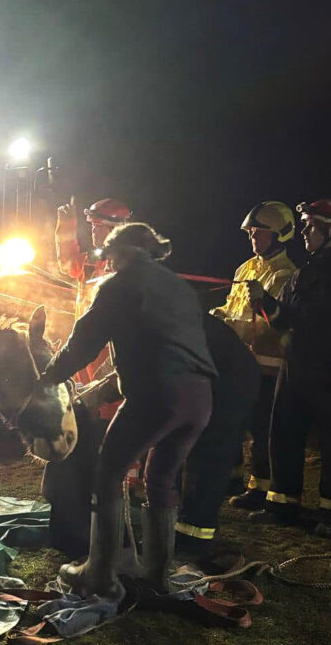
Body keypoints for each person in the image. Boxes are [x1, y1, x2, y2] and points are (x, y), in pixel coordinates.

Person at [42, 223, 216, 598]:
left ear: (119, 253)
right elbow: (168, 344)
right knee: (161, 479)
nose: (108, 262)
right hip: (199, 398)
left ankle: (99, 573)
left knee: (107, 475)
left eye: (110, 256)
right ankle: (157, 577)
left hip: (156, 396)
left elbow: (83, 343)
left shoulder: (119, 286)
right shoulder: (179, 287)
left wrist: (50, 375)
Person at [247, 200, 331, 536]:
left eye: (310, 226)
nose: (304, 232)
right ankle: (281, 505)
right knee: (283, 434)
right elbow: (284, 322)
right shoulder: (303, 273)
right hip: (295, 368)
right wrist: (265, 302)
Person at [212, 201, 297, 508]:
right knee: (229, 420)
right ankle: (230, 476)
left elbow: (263, 324)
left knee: (260, 428)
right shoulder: (245, 268)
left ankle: (260, 488)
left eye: (260, 232)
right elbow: (232, 308)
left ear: (280, 235)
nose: (253, 238)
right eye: (251, 232)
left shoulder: (286, 275)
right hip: (236, 360)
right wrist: (213, 317)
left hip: (266, 366)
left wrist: (225, 329)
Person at [175, 315, 261, 567]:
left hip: (230, 385)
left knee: (207, 455)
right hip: (218, 376)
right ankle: (186, 527)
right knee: (197, 452)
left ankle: (196, 536)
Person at [55, 197, 132, 389]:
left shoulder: (130, 266)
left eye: (98, 226)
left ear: (114, 230)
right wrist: (66, 228)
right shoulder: (92, 260)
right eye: (92, 225)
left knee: (107, 402)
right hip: (85, 341)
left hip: (110, 347)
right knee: (83, 398)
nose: (93, 230)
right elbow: (68, 265)